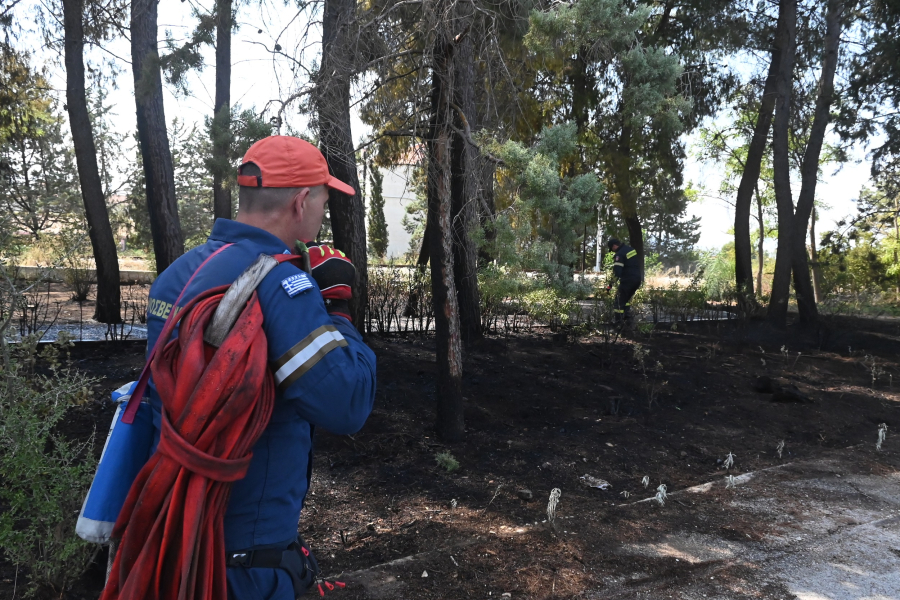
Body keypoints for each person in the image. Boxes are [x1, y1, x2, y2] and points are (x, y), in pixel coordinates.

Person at [143, 135, 377, 599]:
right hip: (249, 560)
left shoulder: (179, 273)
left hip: (178, 531)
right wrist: (337, 309)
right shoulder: (281, 282)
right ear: (301, 200)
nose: (324, 209)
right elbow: (348, 403)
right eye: (324, 197)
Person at [607, 238, 642, 324]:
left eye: (612, 249)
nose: (613, 251)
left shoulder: (619, 255)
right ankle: (628, 320)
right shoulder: (631, 250)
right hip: (637, 280)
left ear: (614, 246)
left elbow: (617, 273)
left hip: (627, 281)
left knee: (618, 303)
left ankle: (618, 324)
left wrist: (609, 286)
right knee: (625, 301)